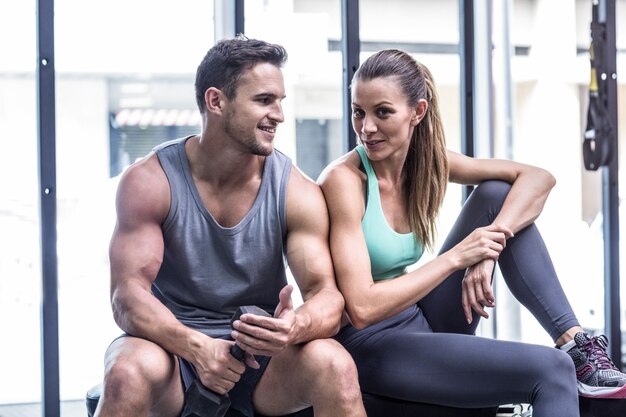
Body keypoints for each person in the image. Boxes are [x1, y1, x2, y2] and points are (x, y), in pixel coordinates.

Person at [318, 49, 626, 417]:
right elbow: (362, 307)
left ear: (417, 111)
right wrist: (458, 257)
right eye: (358, 112)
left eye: (382, 112)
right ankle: (569, 360)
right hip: (370, 342)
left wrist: (489, 249)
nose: (366, 127)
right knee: (551, 369)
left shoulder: (426, 160)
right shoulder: (344, 180)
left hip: (419, 318)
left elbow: (538, 178)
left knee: (497, 195)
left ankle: (575, 342)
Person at [94, 36, 366, 417]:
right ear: (216, 101)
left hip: (261, 358)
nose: (279, 115)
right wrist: (195, 346)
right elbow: (127, 297)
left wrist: (295, 326)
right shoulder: (150, 182)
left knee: (335, 364)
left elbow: (328, 296)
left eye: (280, 101)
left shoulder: (295, 191)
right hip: (173, 351)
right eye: (263, 100)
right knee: (125, 370)